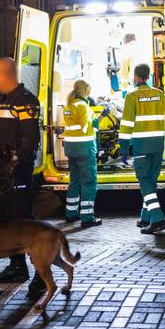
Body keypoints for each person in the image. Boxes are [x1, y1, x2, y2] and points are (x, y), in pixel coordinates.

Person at [0, 57, 43, 299]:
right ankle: (17, 266)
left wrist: (15, 161)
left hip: (17, 170)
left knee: (23, 220)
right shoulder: (3, 100)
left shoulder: (26, 100)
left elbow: (31, 139)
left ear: (8, 75)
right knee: (8, 219)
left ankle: (41, 272)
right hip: (3, 169)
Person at [119, 63, 165, 234]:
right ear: (148, 76)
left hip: (141, 146)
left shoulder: (132, 95)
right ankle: (145, 218)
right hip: (157, 145)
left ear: (136, 76)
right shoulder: (159, 93)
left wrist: (123, 148)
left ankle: (157, 219)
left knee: (144, 182)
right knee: (151, 181)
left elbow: (126, 124)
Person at [62, 79, 102, 228]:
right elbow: (85, 127)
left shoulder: (68, 105)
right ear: (85, 91)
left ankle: (71, 213)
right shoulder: (83, 106)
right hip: (84, 148)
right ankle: (87, 217)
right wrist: (96, 121)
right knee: (89, 182)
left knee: (75, 180)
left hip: (71, 148)